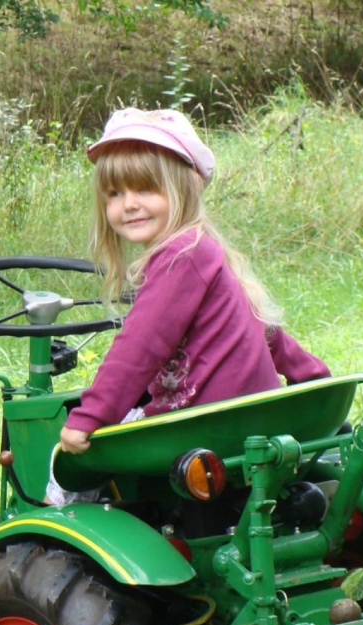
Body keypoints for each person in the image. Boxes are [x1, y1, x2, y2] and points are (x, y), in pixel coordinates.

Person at [57, 108, 329, 459]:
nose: (129, 205)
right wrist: (314, 379)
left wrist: (90, 415)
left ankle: (50, 512)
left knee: (67, 467)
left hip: (201, 429)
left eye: (146, 188)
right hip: (254, 423)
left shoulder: (180, 257)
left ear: (184, 189)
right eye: (114, 193)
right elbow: (263, 329)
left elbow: (140, 345)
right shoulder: (204, 251)